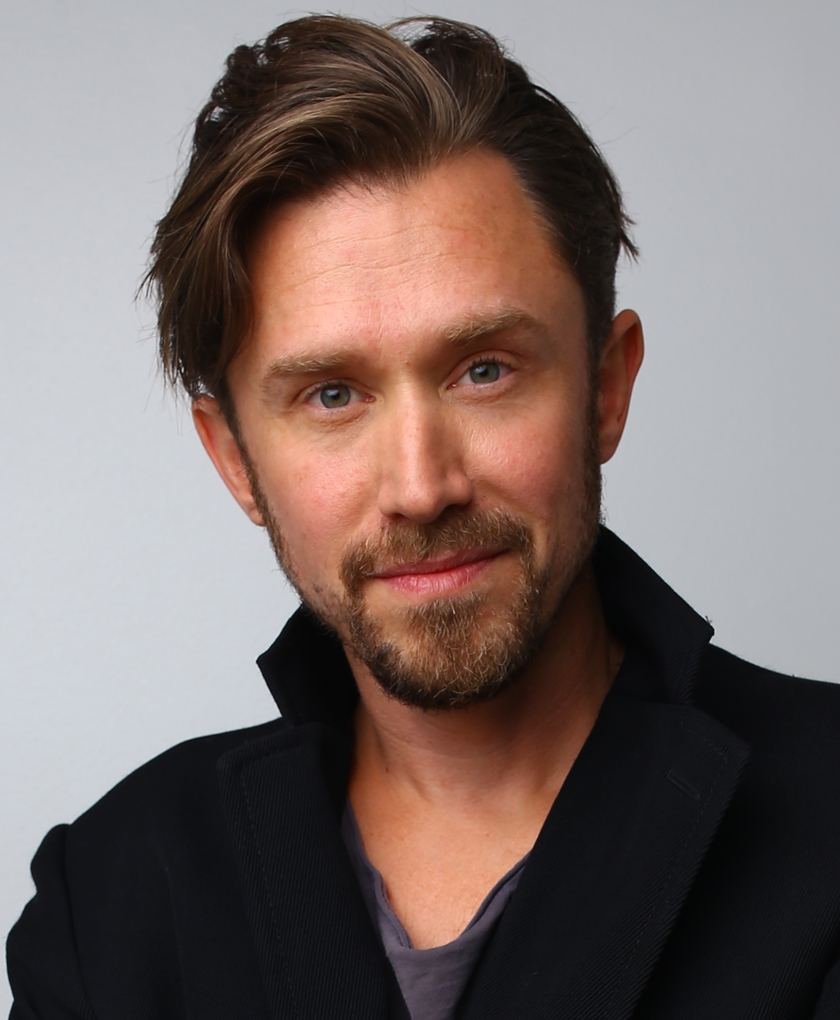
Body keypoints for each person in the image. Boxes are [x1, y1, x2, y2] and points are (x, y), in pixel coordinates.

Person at [7, 14, 840, 1020]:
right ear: (235, 461)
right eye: (331, 395)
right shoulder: (108, 902)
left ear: (606, 389)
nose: (421, 485)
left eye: (484, 370)